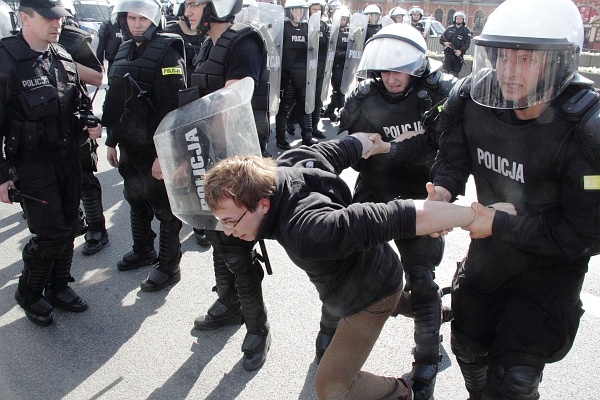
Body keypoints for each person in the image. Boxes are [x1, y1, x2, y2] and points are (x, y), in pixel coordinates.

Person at [201, 132, 504, 400]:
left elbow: (396, 216)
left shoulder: (309, 229)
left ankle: (401, 391)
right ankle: (433, 310)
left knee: (331, 388)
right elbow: (340, 148)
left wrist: (474, 216)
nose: (228, 231)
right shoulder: (286, 165)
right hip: (367, 271)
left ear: (262, 205)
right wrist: (367, 141)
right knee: (396, 301)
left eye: (230, 221)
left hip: (368, 295)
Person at [429, 0, 600, 398]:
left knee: (515, 379)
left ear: (558, 63)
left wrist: (499, 224)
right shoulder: (473, 97)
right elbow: (453, 156)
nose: (507, 71)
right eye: (503, 56)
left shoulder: (584, 131)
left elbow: (586, 234)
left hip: (548, 271)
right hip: (490, 257)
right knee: (468, 349)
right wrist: (442, 190)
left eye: (525, 59)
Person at [329, 23, 457, 399]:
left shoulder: (438, 91)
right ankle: (328, 343)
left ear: (416, 66)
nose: (391, 77)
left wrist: (390, 147)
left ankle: (427, 359)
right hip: (375, 189)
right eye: (384, 70)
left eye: (398, 69)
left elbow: (446, 147)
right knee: (348, 266)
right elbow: (346, 145)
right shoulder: (364, 95)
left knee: (422, 277)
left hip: (423, 191)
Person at [177, 0, 272, 371]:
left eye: (196, 2)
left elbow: (227, 108)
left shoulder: (243, 43)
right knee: (217, 235)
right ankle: (229, 305)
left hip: (231, 164)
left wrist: (193, 150)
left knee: (237, 248)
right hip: (206, 158)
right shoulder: (207, 46)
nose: (188, 9)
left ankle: (257, 329)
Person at [0, 0, 103, 326]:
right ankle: (29, 292)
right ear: (24, 18)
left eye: (58, 17)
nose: (56, 23)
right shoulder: (5, 60)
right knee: (51, 234)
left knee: (71, 226)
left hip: (69, 158)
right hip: (33, 164)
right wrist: (2, 175)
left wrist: (90, 122)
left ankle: (58, 286)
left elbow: (79, 104)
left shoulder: (61, 56)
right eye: (48, 17)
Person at [102, 0, 186, 291]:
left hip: (155, 150)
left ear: (155, 20)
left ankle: (168, 265)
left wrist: (166, 154)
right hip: (129, 147)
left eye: (142, 18)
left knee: (164, 210)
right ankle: (143, 250)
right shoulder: (124, 49)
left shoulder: (167, 50)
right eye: (131, 18)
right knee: (135, 200)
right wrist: (111, 141)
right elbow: (114, 100)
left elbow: (174, 109)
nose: (137, 23)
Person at [59, 18, 109, 255]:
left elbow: (98, 77)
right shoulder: (15, 47)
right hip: (39, 129)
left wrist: (61, 63)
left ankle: (96, 227)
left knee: (85, 179)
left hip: (75, 121)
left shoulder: (69, 35)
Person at [275, 0, 318, 150]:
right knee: (284, 108)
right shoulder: (283, 28)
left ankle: (307, 137)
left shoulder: (307, 28)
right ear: (289, 12)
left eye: (301, 10)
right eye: (296, 10)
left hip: (304, 76)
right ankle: (280, 139)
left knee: (306, 107)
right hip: (289, 78)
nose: (299, 14)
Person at [321, 6, 349, 122]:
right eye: (341, 19)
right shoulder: (332, 32)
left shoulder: (350, 32)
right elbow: (331, 51)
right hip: (336, 65)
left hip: (348, 66)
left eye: (344, 19)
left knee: (341, 90)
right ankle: (343, 115)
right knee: (339, 90)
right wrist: (344, 54)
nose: (342, 21)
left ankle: (329, 111)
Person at [439, 11, 471, 78]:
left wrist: (460, 51)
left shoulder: (466, 31)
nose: (458, 20)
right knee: (445, 74)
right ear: (455, 19)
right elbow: (441, 39)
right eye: (457, 18)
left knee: (455, 75)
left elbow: (467, 44)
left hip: (458, 56)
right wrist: (445, 43)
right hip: (448, 55)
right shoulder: (449, 29)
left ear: (463, 20)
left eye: (460, 18)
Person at [95, 5, 123, 78]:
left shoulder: (128, 23)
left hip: (126, 58)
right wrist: (99, 64)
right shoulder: (107, 24)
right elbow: (101, 46)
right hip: (113, 58)